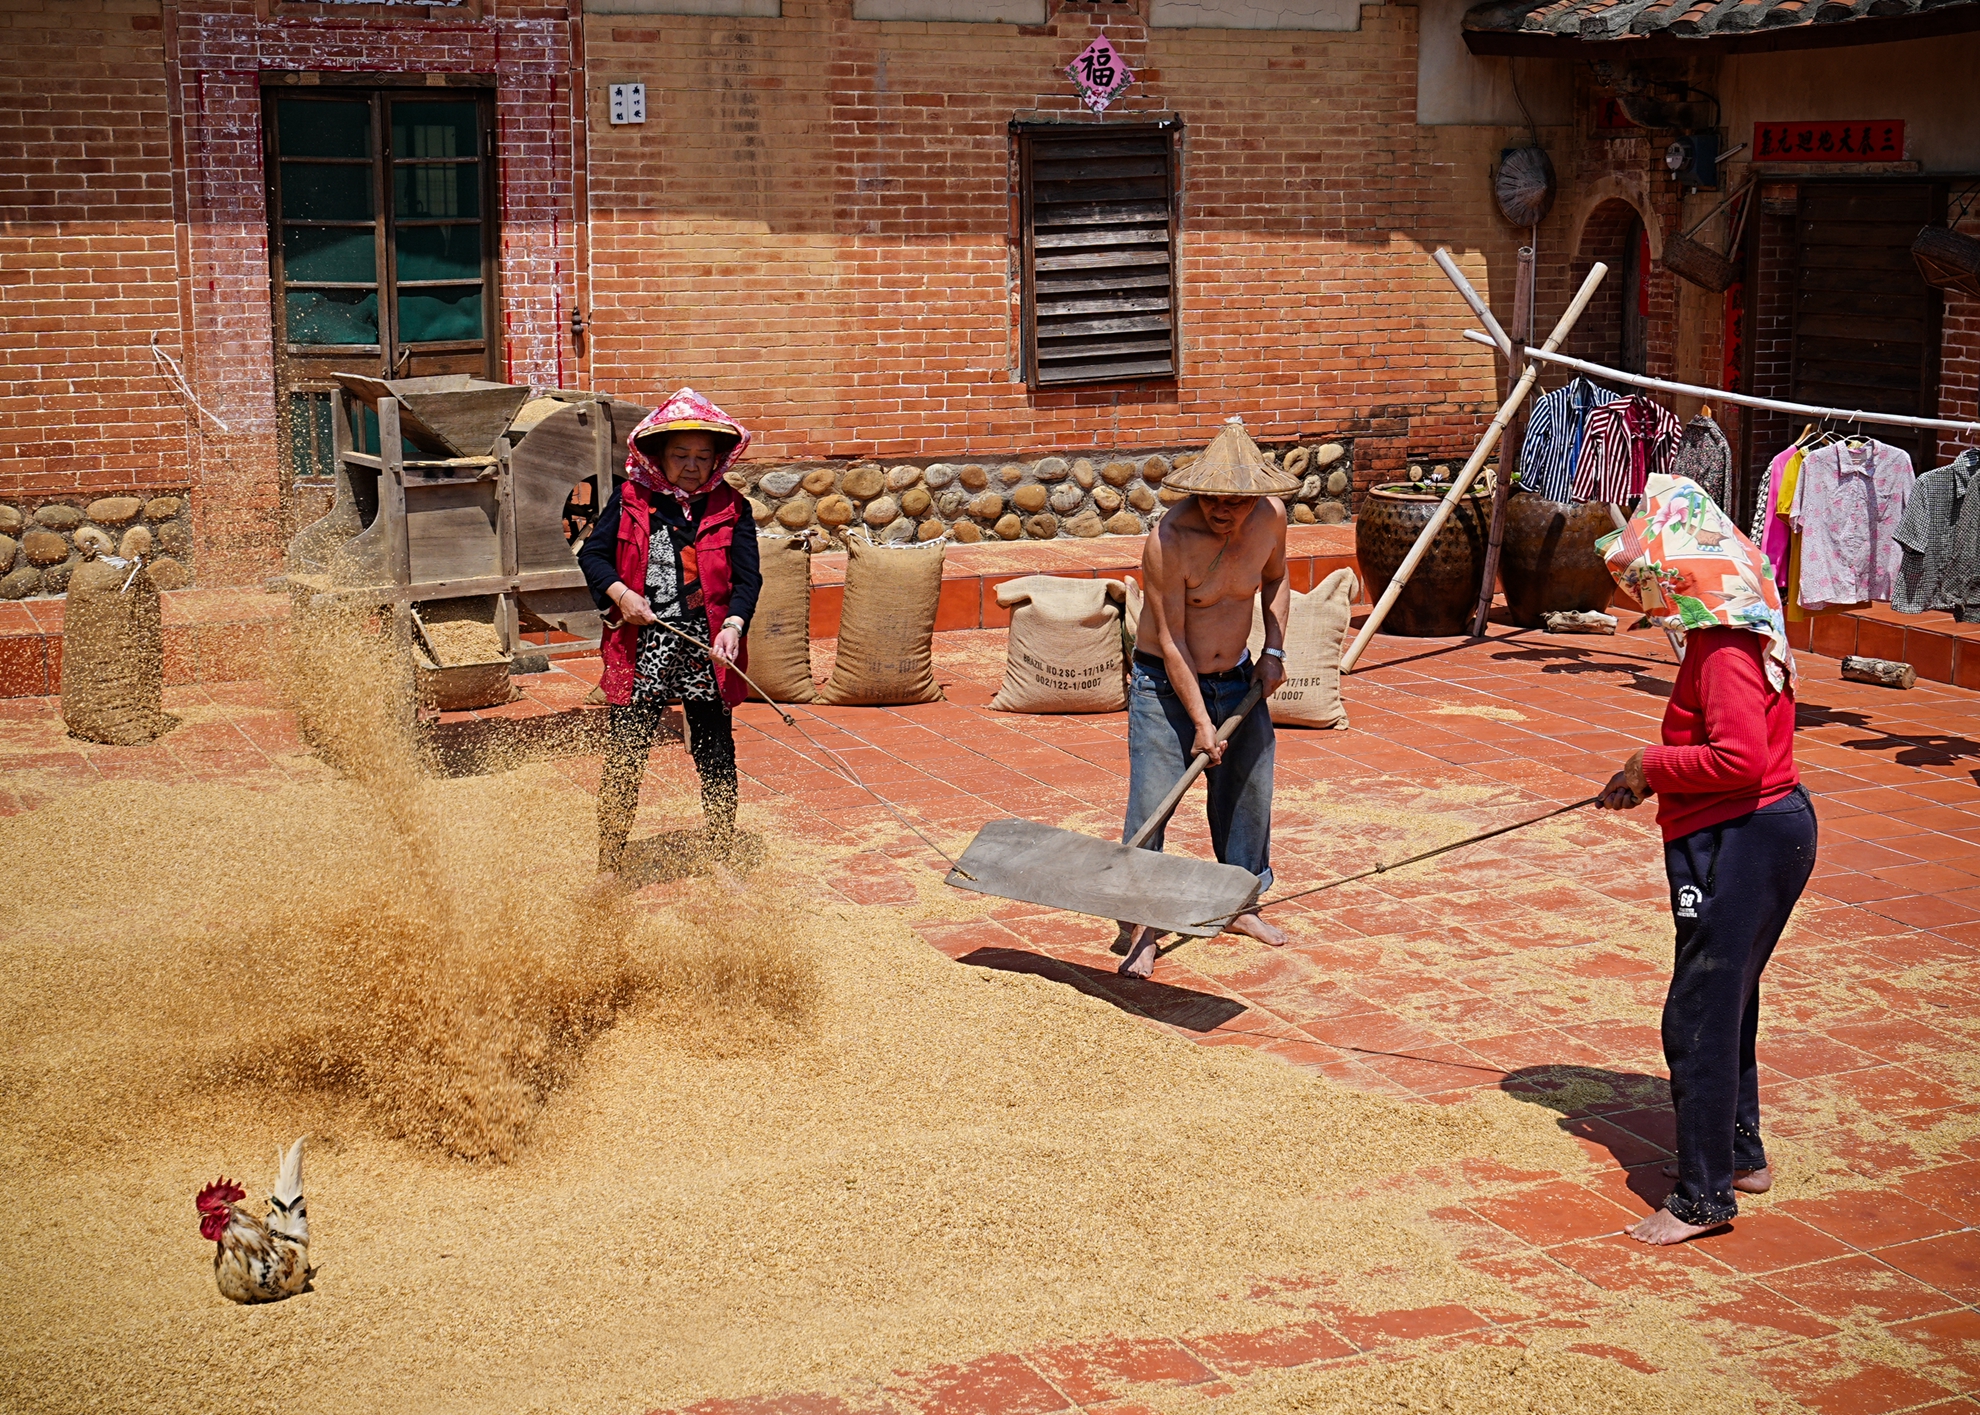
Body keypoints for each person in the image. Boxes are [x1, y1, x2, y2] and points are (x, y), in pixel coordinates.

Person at [1596, 475, 1816, 1245]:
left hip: (1745, 835)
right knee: (1731, 999)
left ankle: (1703, 1195)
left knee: (1698, 1013)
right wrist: (1641, 778)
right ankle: (1742, 1153)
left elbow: (1737, 759)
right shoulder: (1730, 628)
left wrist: (1650, 763)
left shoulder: (1723, 644)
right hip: (1759, 829)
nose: (1653, 595)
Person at [1116, 418, 1300, 978]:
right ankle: (1144, 925)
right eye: (1212, 499)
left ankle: (1241, 903)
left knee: (1248, 795)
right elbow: (1170, 640)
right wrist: (1199, 720)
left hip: (1239, 681)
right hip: (1164, 688)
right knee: (1154, 803)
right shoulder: (1168, 541)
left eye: (1235, 501)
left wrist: (1274, 651)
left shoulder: (1270, 518)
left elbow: (1277, 580)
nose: (1223, 510)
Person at [579, 388, 761, 876]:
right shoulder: (632, 499)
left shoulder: (732, 508)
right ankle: (609, 862)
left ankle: (722, 856)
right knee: (627, 751)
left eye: (703, 456)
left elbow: (748, 580)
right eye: (681, 455)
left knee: (715, 749)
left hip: (706, 644)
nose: (692, 466)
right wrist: (622, 595)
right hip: (645, 641)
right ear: (658, 455)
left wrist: (733, 627)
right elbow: (592, 557)